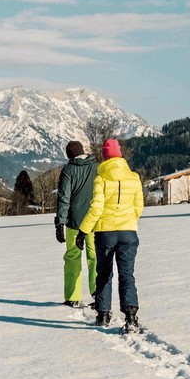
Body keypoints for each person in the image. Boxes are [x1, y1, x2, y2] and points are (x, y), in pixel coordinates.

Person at [76, 139, 145, 331]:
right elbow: (138, 206)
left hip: (105, 233)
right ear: (120, 155)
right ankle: (131, 316)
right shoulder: (134, 178)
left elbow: (96, 208)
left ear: (105, 157)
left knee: (104, 273)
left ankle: (103, 314)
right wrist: (130, 221)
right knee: (126, 274)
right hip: (128, 232)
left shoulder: (101, 178)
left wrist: (83, 231)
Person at [54, 140, 98, 307]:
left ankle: (73, 297)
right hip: (94, 221)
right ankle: (98, 294)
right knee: (95, 257)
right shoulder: (96, 167)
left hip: (74, 222)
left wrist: (60, 223)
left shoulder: (68, 170)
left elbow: (64, 198)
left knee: (73, 257)